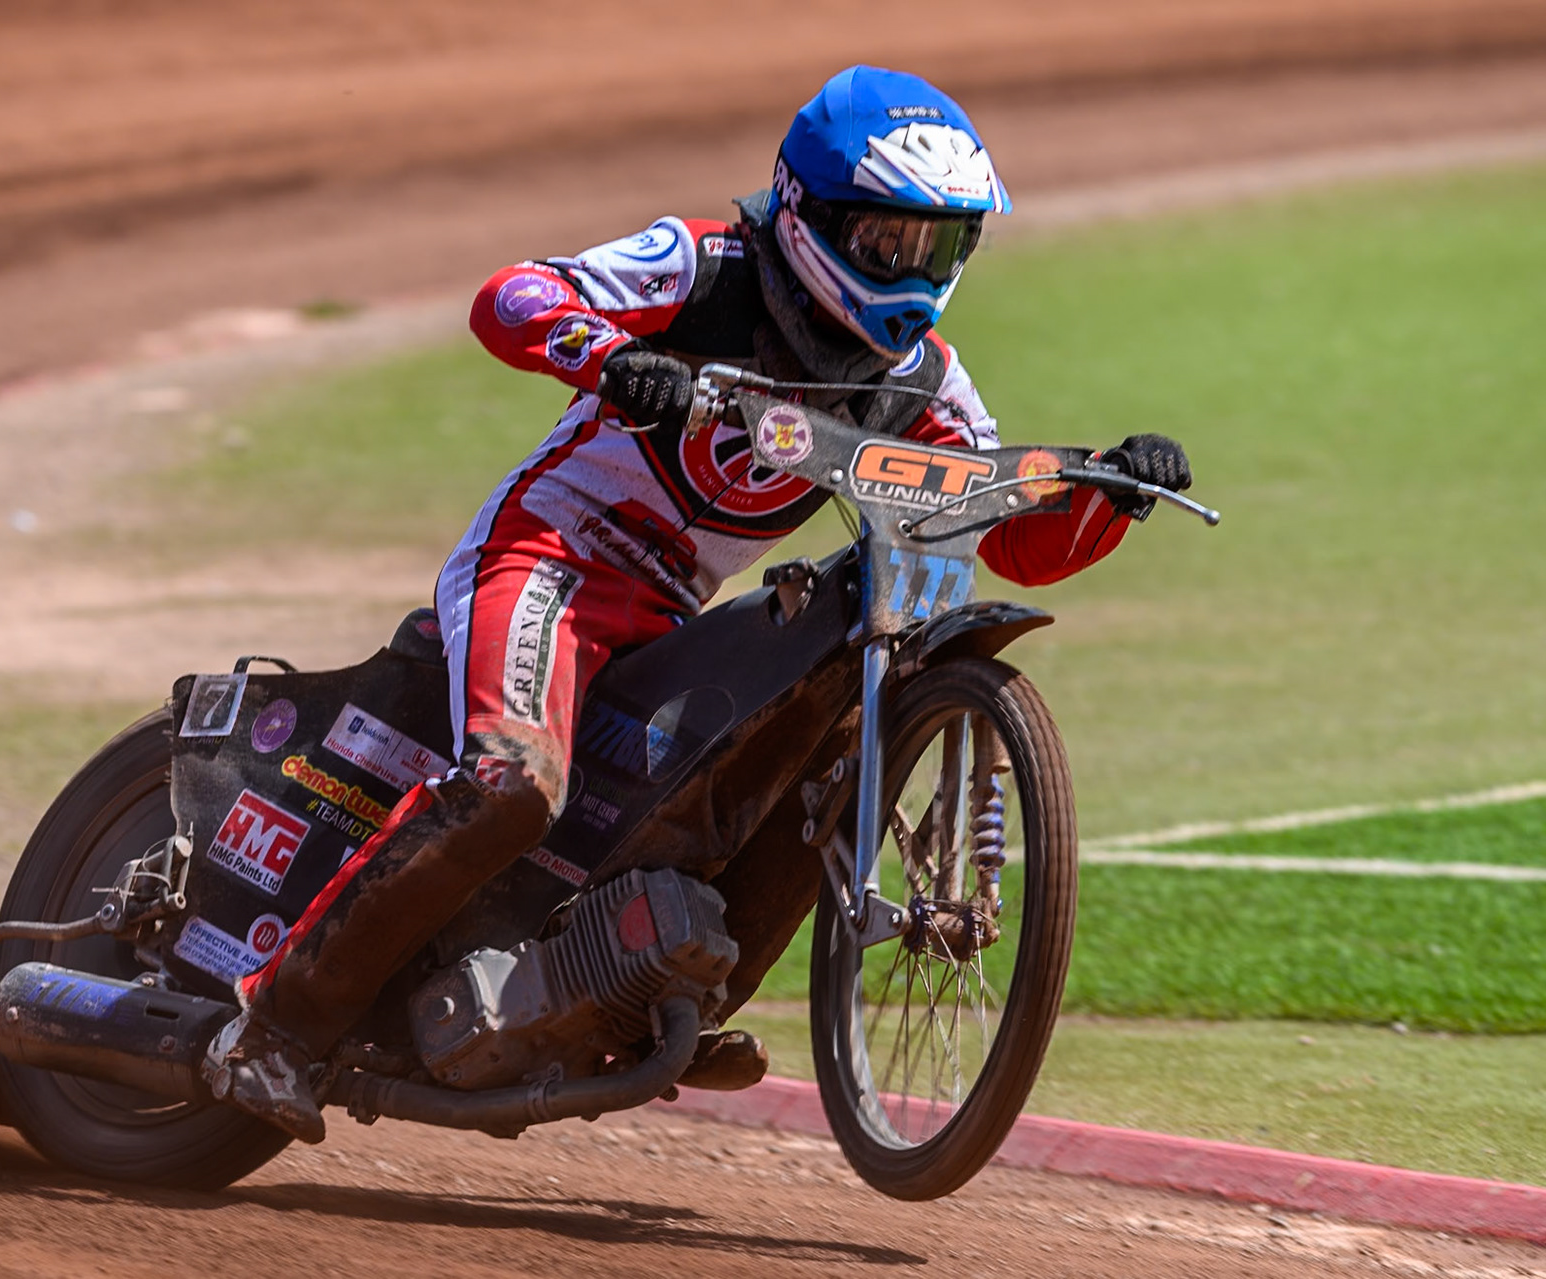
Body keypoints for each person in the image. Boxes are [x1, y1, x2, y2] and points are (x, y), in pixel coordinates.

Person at [202, 64, 1193, 1141]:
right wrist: (618, 360)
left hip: (669, 612)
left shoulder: (925, 381)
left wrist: (1106, 489)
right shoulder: (707, 265)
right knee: (513, 788)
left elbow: (998, 529)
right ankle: (275, 1028)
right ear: (811, 212)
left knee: (806, 759)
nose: (912, 276)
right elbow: (515, 296)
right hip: (549, 559)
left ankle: (662, 991)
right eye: (888, 242)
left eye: (941, 247)